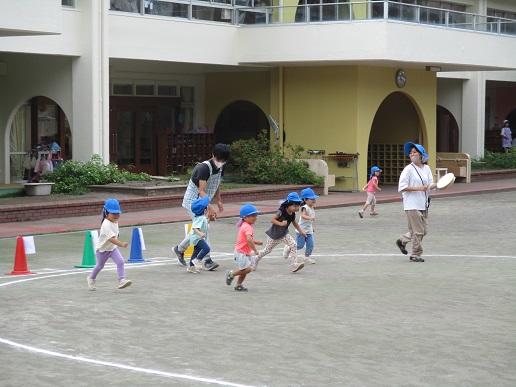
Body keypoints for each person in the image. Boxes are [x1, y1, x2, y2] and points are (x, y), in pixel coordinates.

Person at [172, 143, 230, 271]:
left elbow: (216, 184)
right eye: (219, 159)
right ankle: (207, 259)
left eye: (223, 160)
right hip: (193, 201)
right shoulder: (203, 168)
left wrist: (219, 200)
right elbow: (201, 191)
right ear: (213, 155)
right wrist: (209, 207)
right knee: (204, 226)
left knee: (199, 228)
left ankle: (179, 249)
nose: (221, 162)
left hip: (204, 201)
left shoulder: (221, 167)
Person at [395, 142, 436, 263]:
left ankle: (402, 240)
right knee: (418, 231)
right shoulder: (408, 169)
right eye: (411, 152)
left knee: (423, 231)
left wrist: (442, 184)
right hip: (411, 204)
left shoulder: (427, 168)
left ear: (421, 155)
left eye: (415, 152)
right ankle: (415, 254)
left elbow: (429, 184)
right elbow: (402, 187)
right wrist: (419, 188)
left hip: (423, 204)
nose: (412, 154)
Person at [255, 192, 306, 273]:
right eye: (294, 206)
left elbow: (294, 223)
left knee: (293, 244)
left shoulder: (292, 214)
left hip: (284, 234)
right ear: (288, 204)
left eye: (298, 206)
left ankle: (294, 264)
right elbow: (272, 219)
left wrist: (301, 231)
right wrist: (281, 223)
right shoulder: (281, 211)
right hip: (274, 235)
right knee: (267, 250)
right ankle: (256, 259)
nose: (297, 208)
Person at [87, 199, 132, 290]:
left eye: (118, 213)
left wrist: (117, 244)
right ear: (106, 213)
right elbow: (111, 239)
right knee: (100, 266)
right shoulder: (105, 225)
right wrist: (121, 244)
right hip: (102, 250)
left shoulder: (115, 221)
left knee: (120, 262)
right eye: (113, 213)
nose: (116, 216)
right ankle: (91, 278)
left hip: (112, 249)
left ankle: (121, 280)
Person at [226, 204, 262, 291]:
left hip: (243, 252)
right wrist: (255, 250)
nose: (255, 217)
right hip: (241, 253)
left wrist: (256, 242)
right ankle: (231, 274)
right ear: (245, 217)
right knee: (247, 269)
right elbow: (249, 240)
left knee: (244, 270)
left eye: (255, 215)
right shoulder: (248, 227)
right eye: (253, 216)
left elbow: (246, 239)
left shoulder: (245, 225)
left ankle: (238, 285)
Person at [284, 188, 318, 264]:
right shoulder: (304, 207)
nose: (314, 200)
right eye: (311, 199)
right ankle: (288, 247)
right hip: (301, 230)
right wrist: (311, 218)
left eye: (314, 198)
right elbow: (303, 216)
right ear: (305, 200)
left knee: (310, 245)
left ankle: (307, 257)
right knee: (299, 245)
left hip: (309, 230)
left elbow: (309, 222)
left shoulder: (312, 207)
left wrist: (312, 228)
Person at [187, 197, 211, 274]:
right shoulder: (199, 218)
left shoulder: (201, 217)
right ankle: (197, 260)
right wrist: (200, 233)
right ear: (204, 210)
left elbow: (205, 223)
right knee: (206, 248)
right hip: (196, 238)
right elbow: (195, 228)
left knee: (196, 252)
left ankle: (191, 267)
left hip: (196, 238)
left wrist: (209, 218)